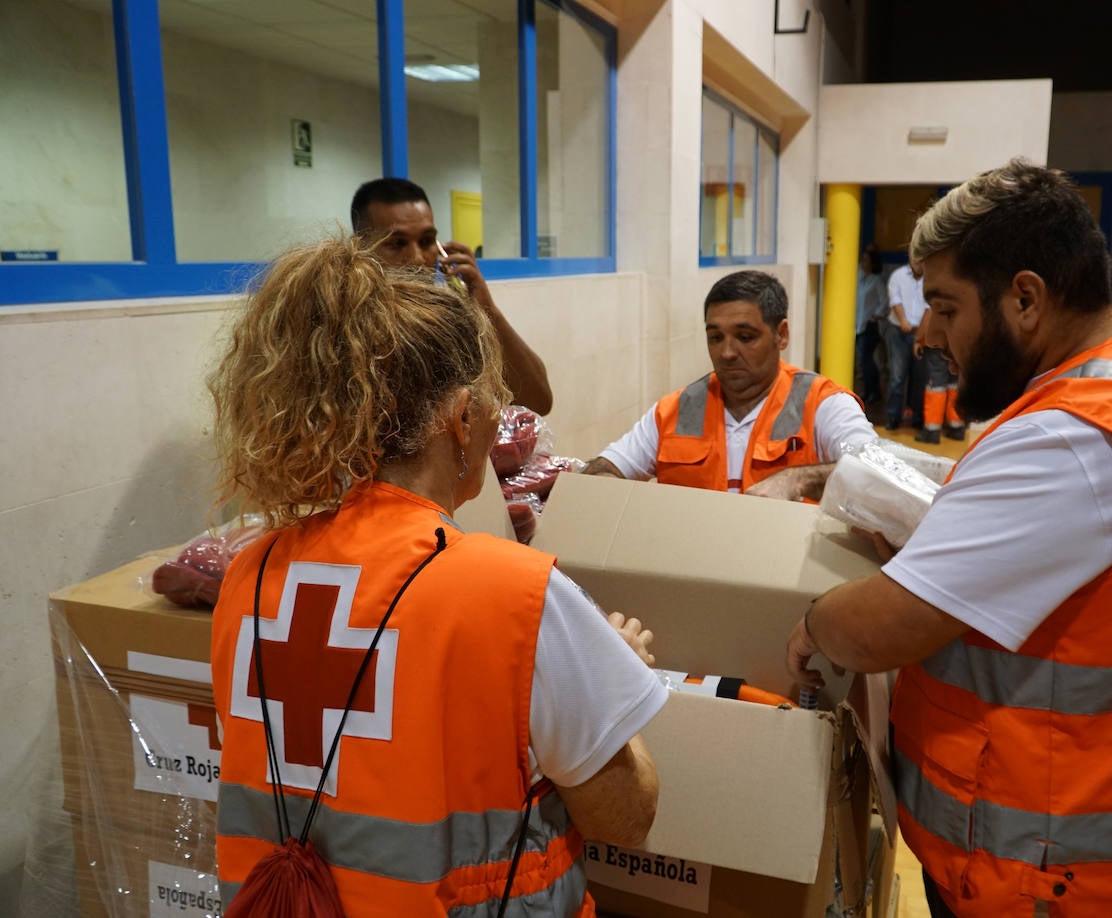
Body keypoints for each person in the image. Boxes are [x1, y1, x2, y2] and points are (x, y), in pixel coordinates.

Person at [785, 160, 1112, 918]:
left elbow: (886, 627)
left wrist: (815, 619)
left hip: (1067, 856)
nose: (927, 334)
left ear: (1025, 298)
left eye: (946, 307)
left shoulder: (1077, 436)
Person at [208, 239, 666, 915]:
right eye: (491, 403)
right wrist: (612, 673)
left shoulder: (253, 571)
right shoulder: (513, 593)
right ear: (459, 419)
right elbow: (624, 819)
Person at [582, 270, 876, 495]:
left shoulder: (822, 404)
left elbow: (879, 474)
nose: (727, 353)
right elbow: (602, 468)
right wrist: (609, 489)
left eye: (745, 337)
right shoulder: (676, 410)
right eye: (715, 337)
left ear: (781, 335)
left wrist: (798, 478)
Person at [351, 177, 553, 415]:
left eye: (426, 241)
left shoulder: (447, 319)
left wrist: (485, 308)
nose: (417, 258)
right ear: (360, 248)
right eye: (397, 244)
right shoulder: (346, 323)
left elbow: (537, 402)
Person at [884, 258, 930, 429]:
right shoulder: (898, 275)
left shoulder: (930, 278)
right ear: (911, 259)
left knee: (919, 378)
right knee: (897, 376)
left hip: (923, 332)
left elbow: (929, 308)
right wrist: (903, 320)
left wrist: (919, 336)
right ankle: (892, 417)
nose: (920, 263)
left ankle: (917, 418)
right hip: (898, 331)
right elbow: (895, 300)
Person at [911, 304, 966, 443]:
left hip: (938, 346)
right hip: (958, 343)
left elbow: (929, 315)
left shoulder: (938, 287)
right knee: (955, 385)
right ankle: (957, 428)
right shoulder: (963, 290)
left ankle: (932, 431)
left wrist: (917, 339)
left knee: (936, 386)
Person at [855, 246, 889, 404]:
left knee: (866, 359)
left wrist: (875, 316)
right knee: (863, 361)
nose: (863, 263)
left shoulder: (876, 281)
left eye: (866, 260)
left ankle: (874, 391)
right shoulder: (860, 279)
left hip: (869, 325)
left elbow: (884, 301)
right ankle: (867, 390)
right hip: (858, 325)